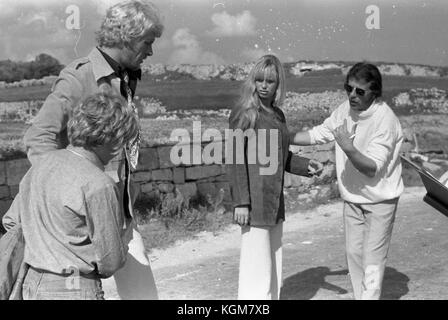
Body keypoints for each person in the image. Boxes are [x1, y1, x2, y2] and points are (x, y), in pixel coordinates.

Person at [21, 0, 164, 299]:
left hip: (118, 210)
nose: (150, 51)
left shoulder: (124, 74)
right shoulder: (79, 77)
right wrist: (66, 188)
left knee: (143, 294)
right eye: (147, 42)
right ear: (127, 36)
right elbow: (38, 136)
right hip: (82, 217)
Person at [2, 93, 139, 300]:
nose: (119, 149)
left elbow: (11, 220)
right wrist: (124, 237)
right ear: (105, 137)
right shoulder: (99, 184)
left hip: (31, 284)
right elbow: (110, 262)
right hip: (73, 287)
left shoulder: (41, 166)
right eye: (119, 140)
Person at [290, 62, 404, 300]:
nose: (352, 95)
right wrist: (283, 137)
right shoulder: (345, 110)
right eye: (348, 88)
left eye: (359, 91)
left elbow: (373, 167)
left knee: (372, 258)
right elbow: (319, 134)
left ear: (375, 93)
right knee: (353, 254)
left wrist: (348, 148)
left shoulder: (386, 120)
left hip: (380, 200)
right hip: (352, 197)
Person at [226, 54, 323, 300]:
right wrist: (241, 202)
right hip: (254, 203)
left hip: (274, 202)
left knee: (273, 265)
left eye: (269, 81)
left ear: (278, 83)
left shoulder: (278, 115)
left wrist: (304, 165)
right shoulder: (244, 113)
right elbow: (235, 160)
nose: (263, 85)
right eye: (259, 80)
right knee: (255, 269)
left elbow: (279, 156)